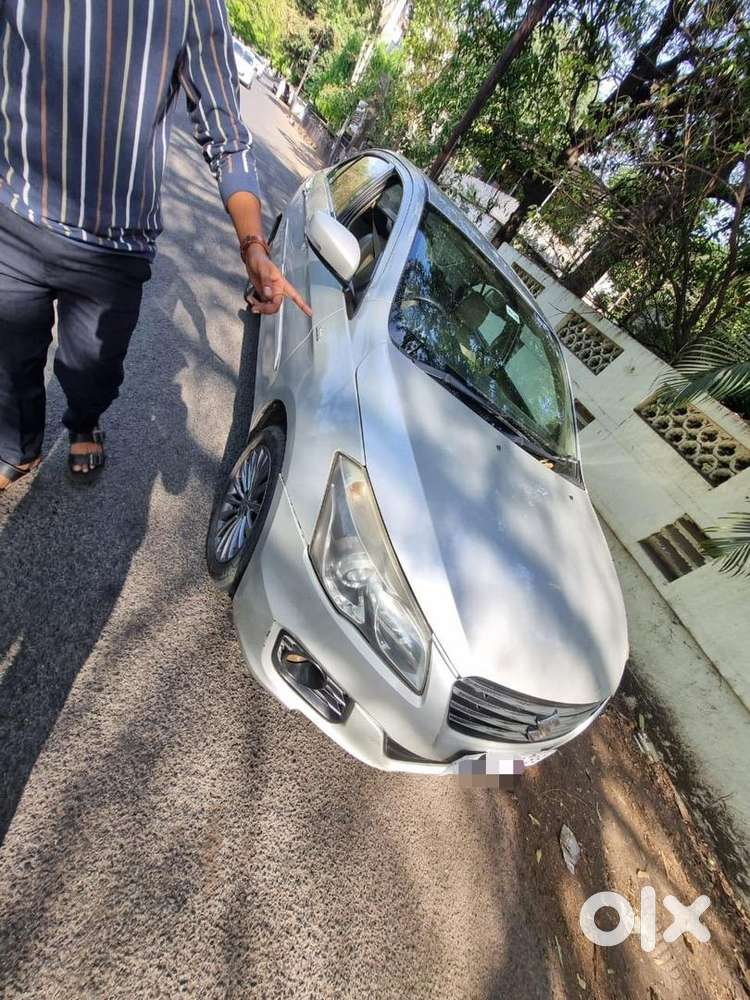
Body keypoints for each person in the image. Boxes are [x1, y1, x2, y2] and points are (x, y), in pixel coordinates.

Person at [0, 0, 310, 491]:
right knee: (9, 361)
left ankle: (84, 421)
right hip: (15, 211)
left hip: (115, 248)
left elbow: (227, 138)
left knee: (93, 374)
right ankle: (19, 447)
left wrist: (253, 246)